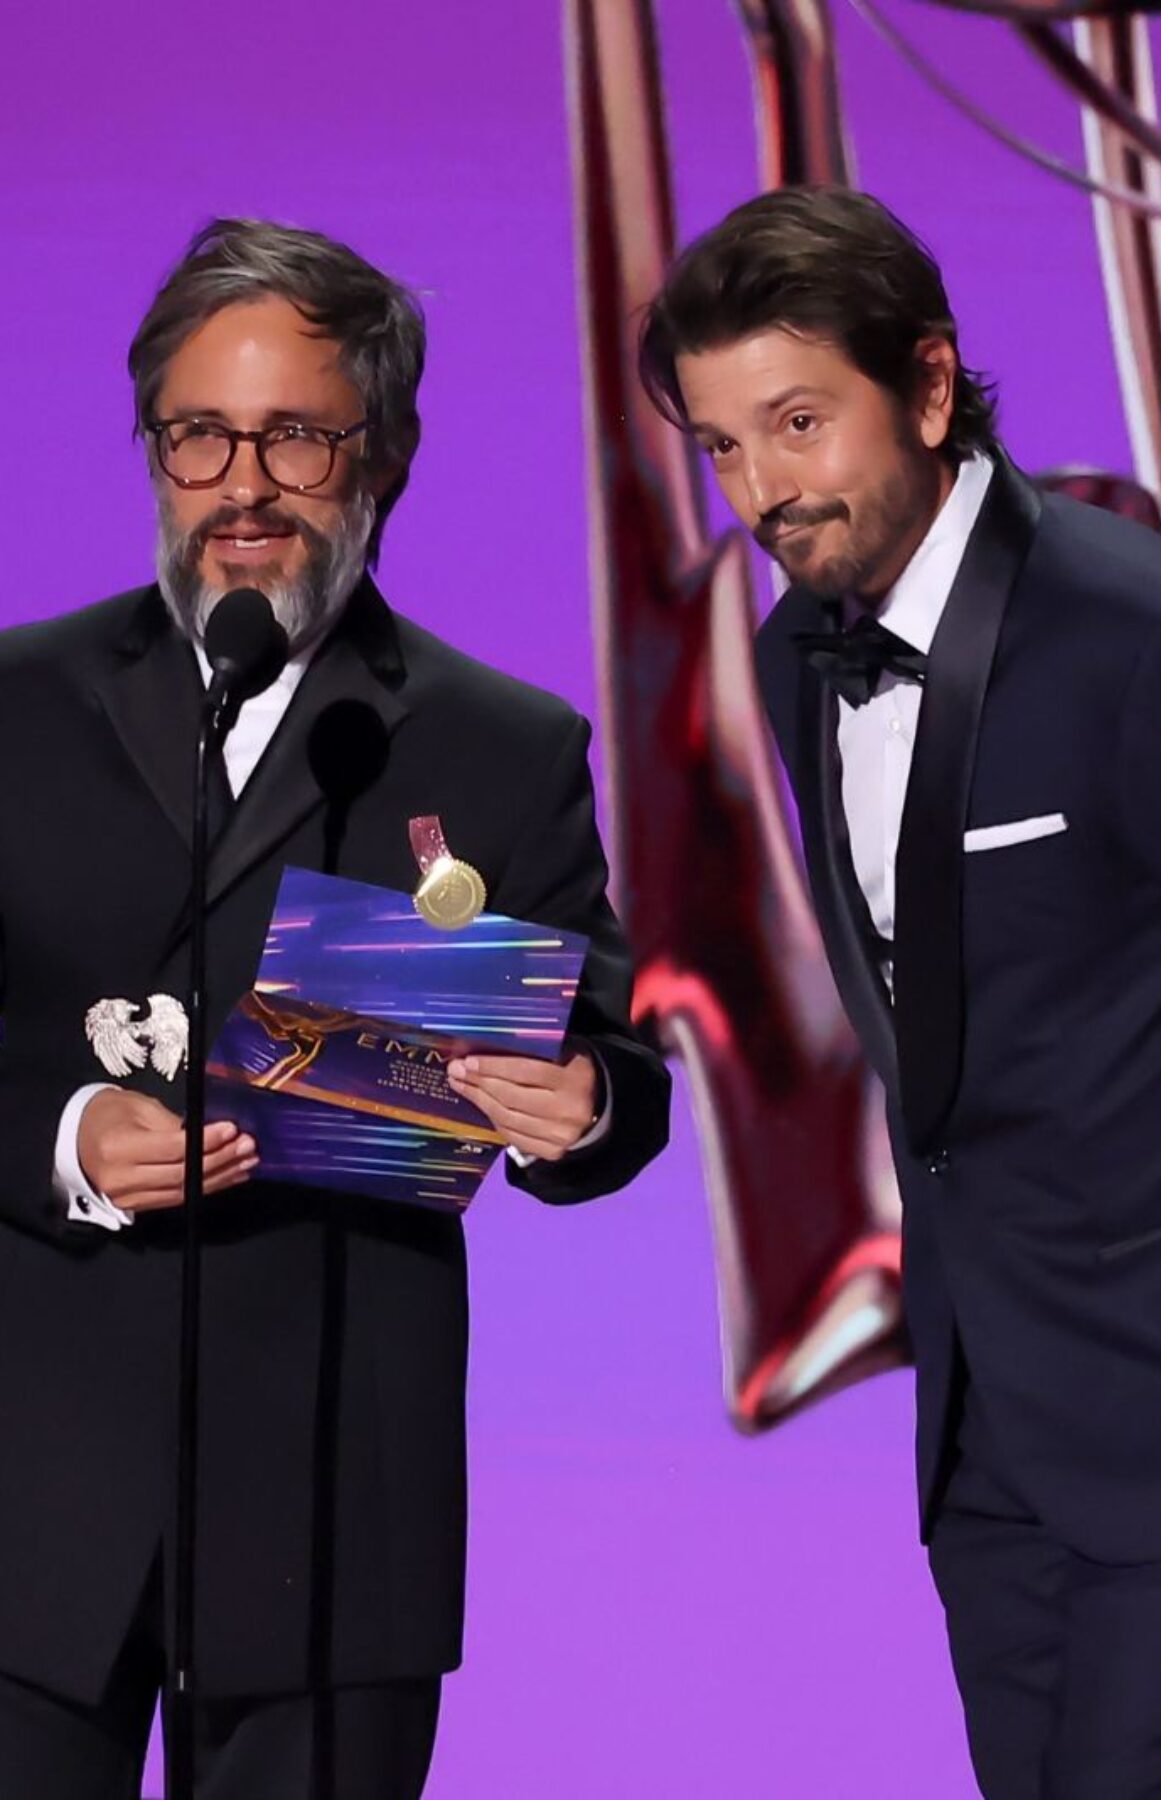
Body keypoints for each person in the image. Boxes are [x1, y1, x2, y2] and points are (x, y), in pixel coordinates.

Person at [0, 217, 670, 1799]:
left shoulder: (500, 745)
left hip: (324, 1525)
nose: (242, 484)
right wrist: (65, 1134)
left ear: (388, 458)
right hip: (30, 1510)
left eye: (296, 436)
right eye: (199, 435)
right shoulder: (13, 709)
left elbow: (616, 1052)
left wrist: (581, 1109)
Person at [640, 184, 1161, 1799]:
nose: (765, 491)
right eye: (728, 447)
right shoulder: (786, 653)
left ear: (932, 387)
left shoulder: (1137, 637)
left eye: (800, 423)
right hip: (984, 1436)